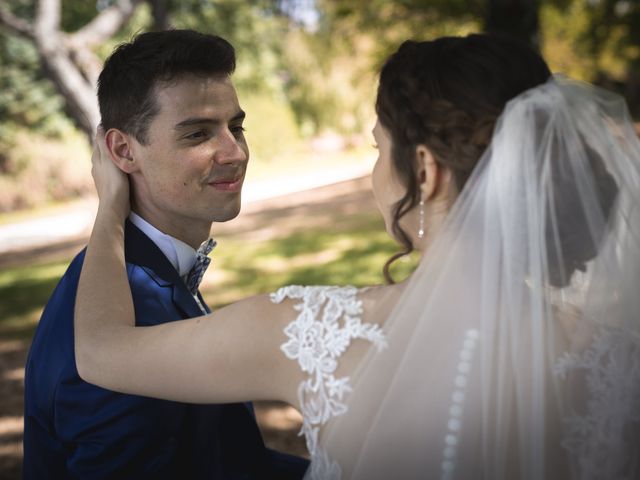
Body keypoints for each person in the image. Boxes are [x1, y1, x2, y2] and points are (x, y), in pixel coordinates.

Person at [74, 33, 640, 479]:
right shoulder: (614, 352)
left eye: (378, 148)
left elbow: (100, 351)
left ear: (424, 170)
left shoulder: (307, 330)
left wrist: (107, 211)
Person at [23, 29, 309, 479]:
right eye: (197, 134)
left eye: (236, 127)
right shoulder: (130, 312)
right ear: (122, 150)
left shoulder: (150, 272)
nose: (234, 152)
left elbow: (225, 463)